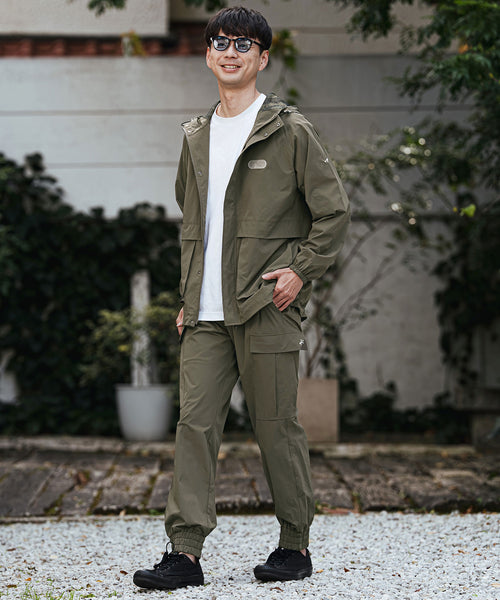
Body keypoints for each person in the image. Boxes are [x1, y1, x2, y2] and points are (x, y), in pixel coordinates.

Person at [133, 5, 350, 591]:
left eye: (243, 44)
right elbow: (193, 223)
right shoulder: (196, 136)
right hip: (204, 313)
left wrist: (299, 271)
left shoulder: (289, 131)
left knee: (276, 426)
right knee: (194, 427)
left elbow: (333, 212)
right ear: (208, 54)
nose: (230, 52)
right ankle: (185, 554)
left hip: (265, 306)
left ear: (263, 57)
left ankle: (294, 545)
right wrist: (189, 293)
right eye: (220, 42)